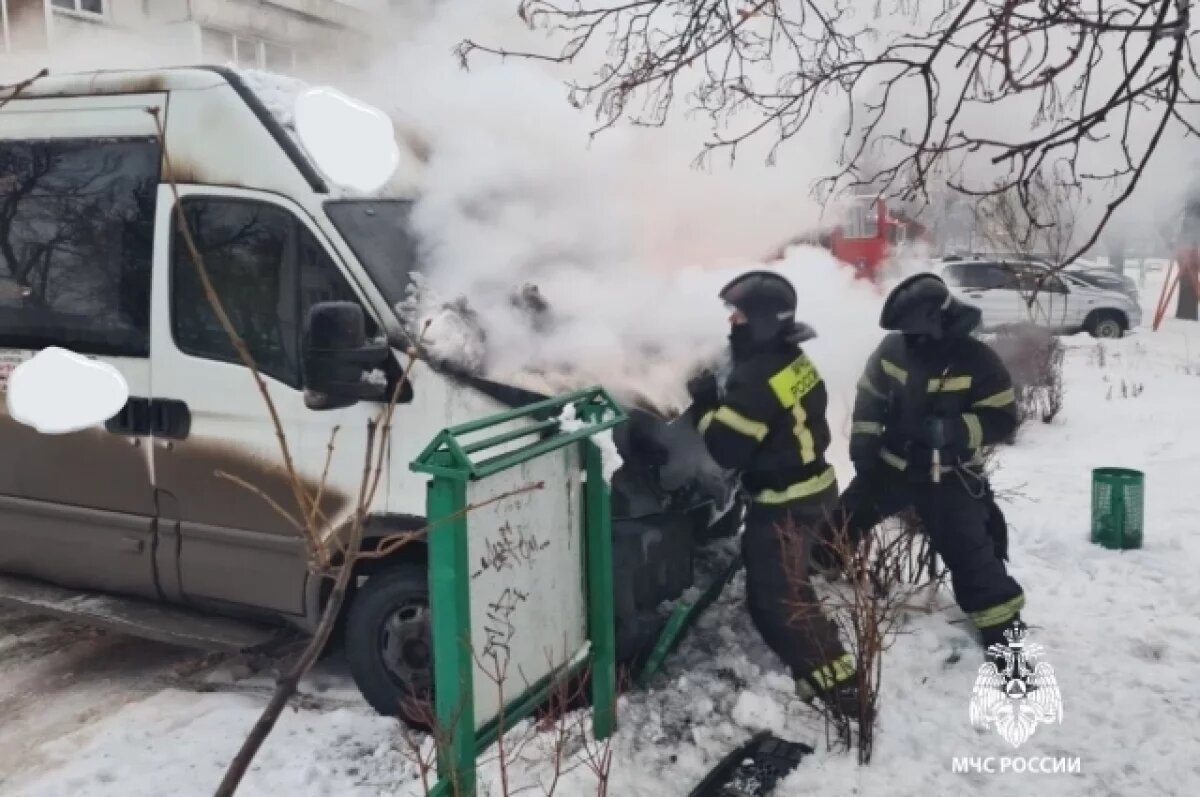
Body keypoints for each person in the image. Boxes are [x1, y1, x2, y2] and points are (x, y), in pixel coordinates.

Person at [817, 272, 1025, 653]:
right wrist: (863, 444)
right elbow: (869, 395)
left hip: (946, 477)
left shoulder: (976, 360)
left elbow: (1003, 418)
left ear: (935, 322)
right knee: (840, 523)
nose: (907, 340)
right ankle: (815, 577)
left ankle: (1004, 636)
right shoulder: (894, 348)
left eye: (912, 332)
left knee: (973, 557)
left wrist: (954, 430)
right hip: (889, 468)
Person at [685, 270, 859, 717]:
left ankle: (842, 692)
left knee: (777, 603)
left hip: (786, 506)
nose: (733, 322)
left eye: (740, 315)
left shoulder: (761, 376)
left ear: (762, 320)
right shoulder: (787, 357)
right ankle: (829, 673)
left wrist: (705, 405)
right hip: (811, 489)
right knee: (792, 589)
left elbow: (726, 449)